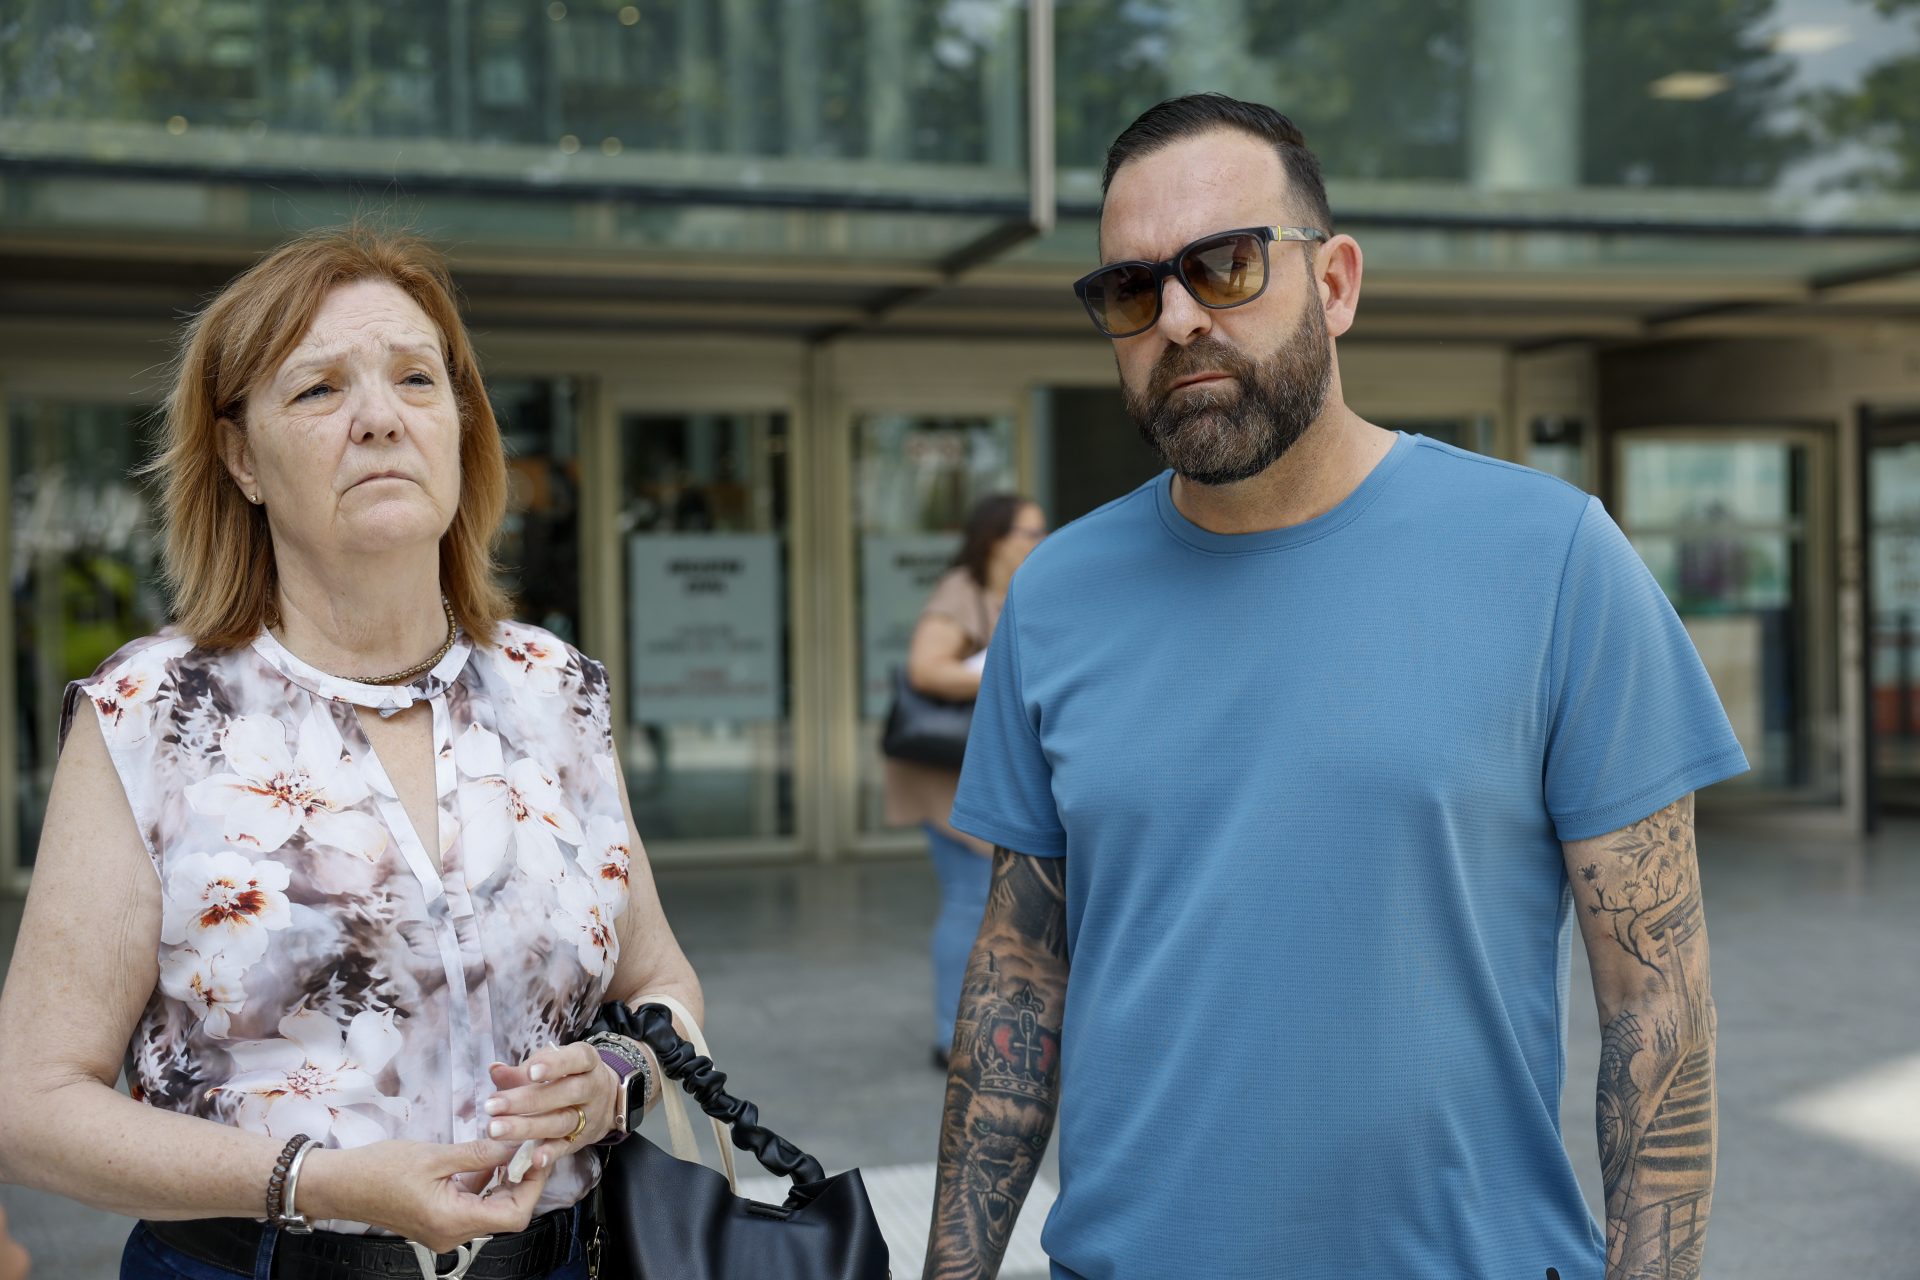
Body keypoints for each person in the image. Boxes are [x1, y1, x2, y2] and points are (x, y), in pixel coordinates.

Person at [924, 94, 1747, 1280]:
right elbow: (1019, 978)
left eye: (1225, 264)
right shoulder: (1054, 594)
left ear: (1337, 281)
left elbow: (1656, 1004)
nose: (1178, 317)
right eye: (1131, 289)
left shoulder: (1554, 557)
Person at [0, 228, 701, 1280]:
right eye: (319, 389)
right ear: (241, 458)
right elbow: (31, 1101)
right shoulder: (151, 714)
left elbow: (663, 983)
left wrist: (613, 1076)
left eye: (416, 378)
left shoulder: (554, 690)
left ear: (460, 428)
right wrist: (316, 1181)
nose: (380, 416)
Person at [885, 495, 1047, 1069]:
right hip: (942, 773)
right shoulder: (962, 590)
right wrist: (1001, 676)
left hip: (980, 771)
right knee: (969, 897)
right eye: (1029, 532)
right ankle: (950, 1039)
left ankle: (984, 1026)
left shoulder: (1015, 592)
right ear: (994, 538)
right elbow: (926, 668)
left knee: (987, 900)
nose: (1039, 541)